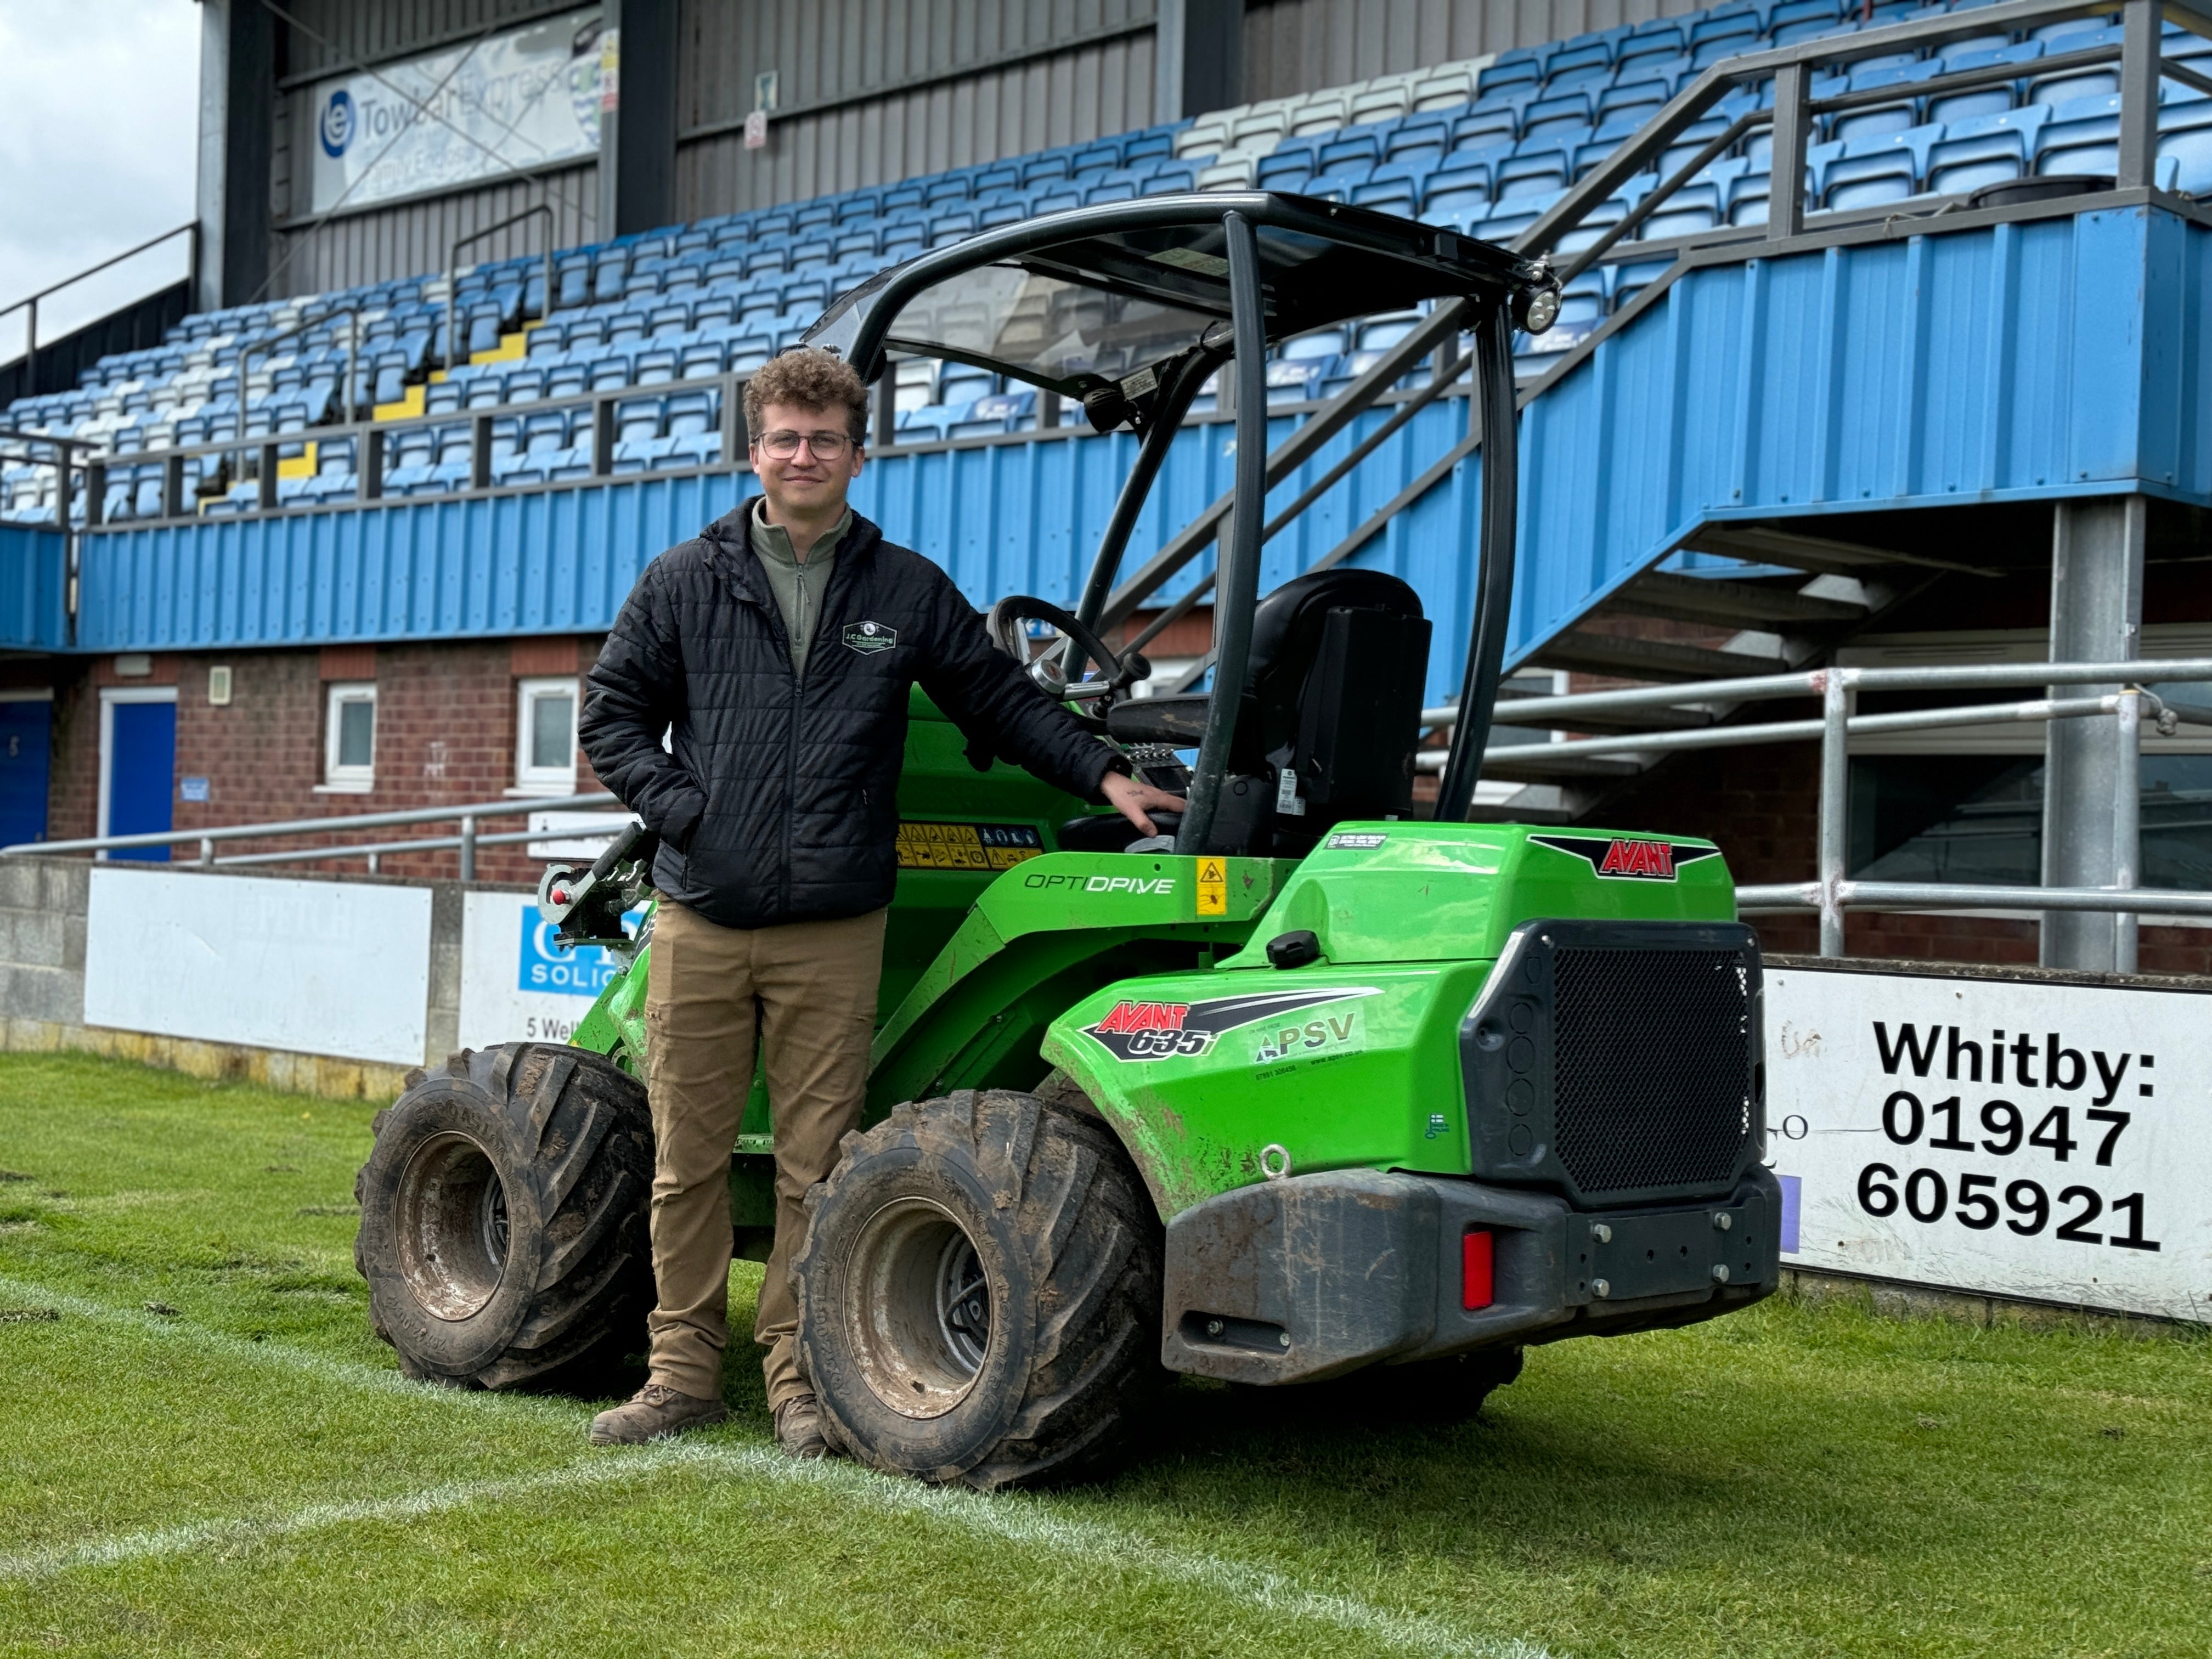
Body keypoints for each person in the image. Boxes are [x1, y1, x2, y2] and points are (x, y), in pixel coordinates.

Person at [576, 348, 1183, 1455]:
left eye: (825, 439)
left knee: (818, 1170)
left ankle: (801, 1385)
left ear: (860, 453)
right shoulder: (684, 578)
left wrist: (1099, 774)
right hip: (704, 918)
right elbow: (612, 715)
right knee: (688, 1162)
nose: (803, 457)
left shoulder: (903, 589)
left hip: (835, 929)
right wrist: (689, 812)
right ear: (753, 450)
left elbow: (997, 698)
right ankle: (679, 1377)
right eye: (784, 438)